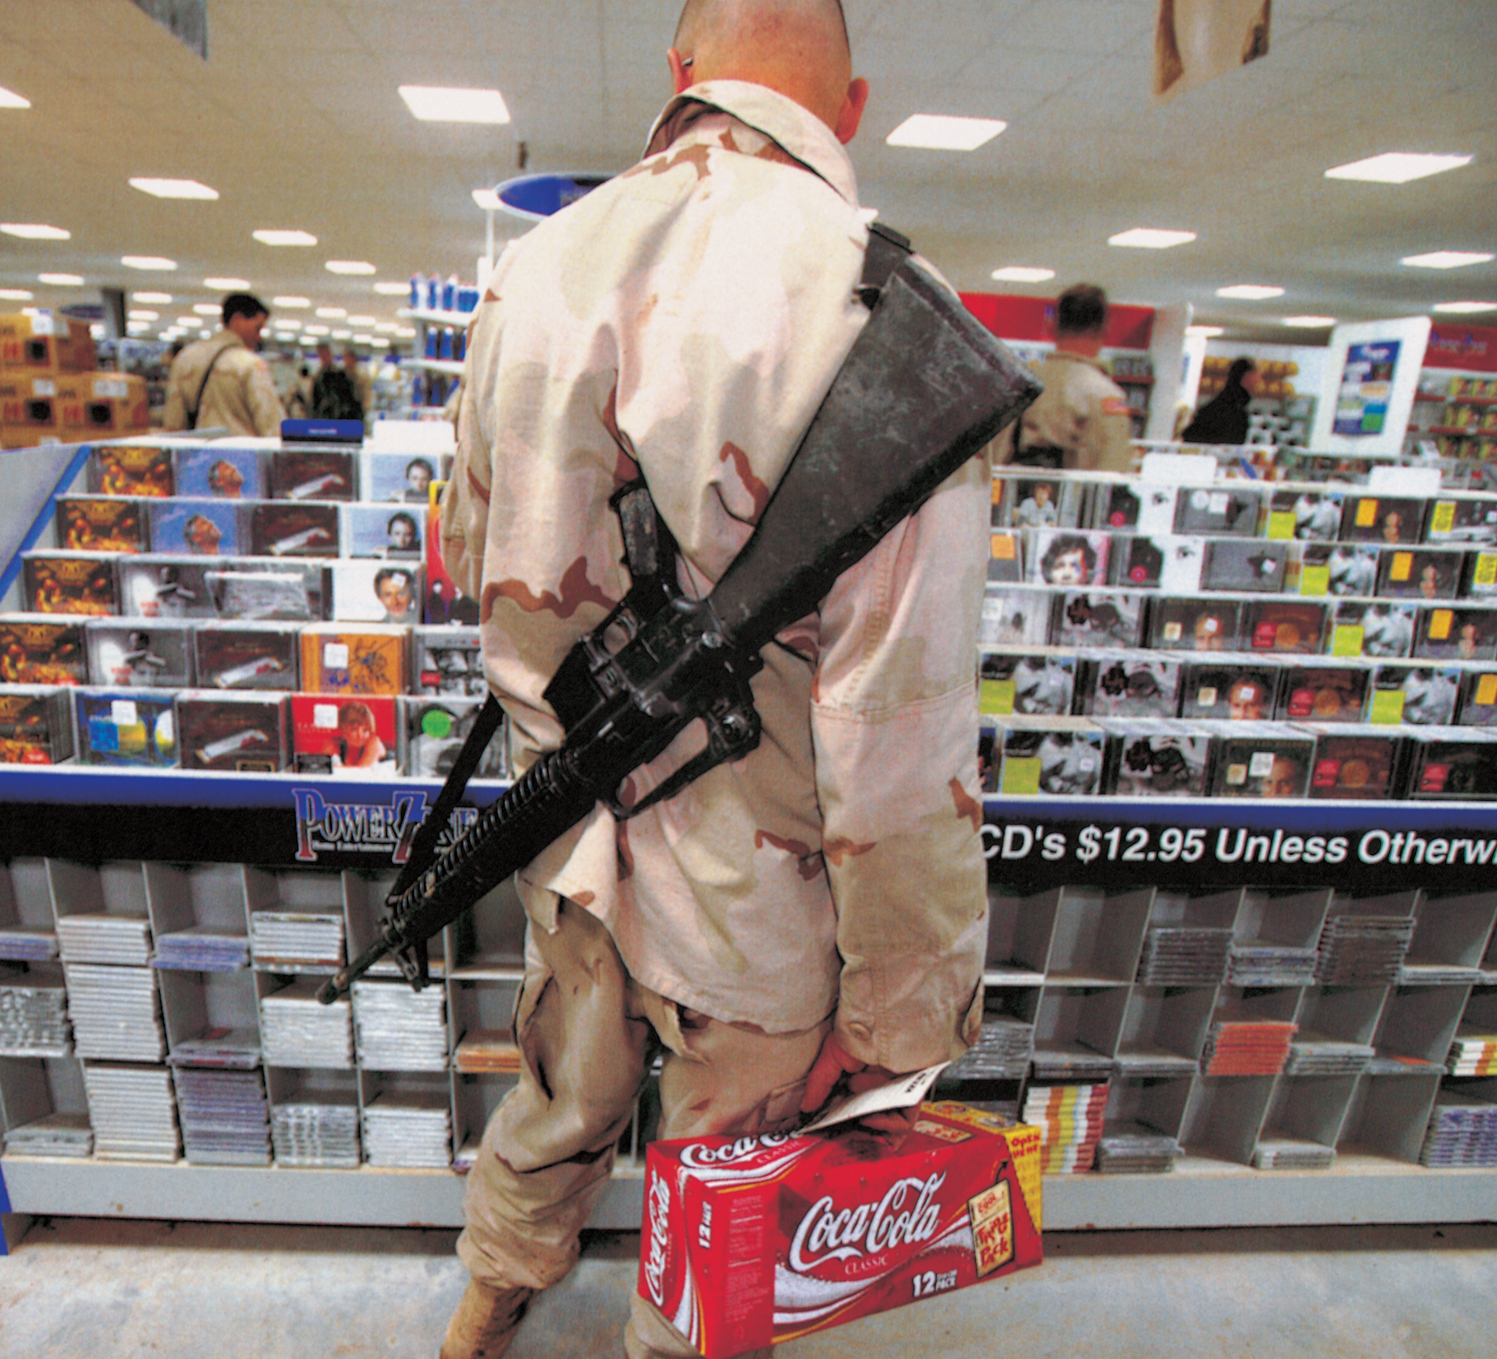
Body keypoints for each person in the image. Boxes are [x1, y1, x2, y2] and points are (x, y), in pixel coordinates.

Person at [437, 4, 991, 1356]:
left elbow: (465, 551)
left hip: (569, 836)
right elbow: (899, 723)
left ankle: (483, 1309)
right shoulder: (882, 306)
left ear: (678, 72)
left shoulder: (536, 267)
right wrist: (899, 1018)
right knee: (721, 1203)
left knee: (559, 1101)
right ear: (850, 106)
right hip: (762, 890)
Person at [993, 282, 1134, 473]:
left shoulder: (1019, 383)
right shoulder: (1105, 397)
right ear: (1106, 329)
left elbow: (994, 457)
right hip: (1074, 491)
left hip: (1013, 488)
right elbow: (1113, 472)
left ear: (1052, 326)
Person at [163, 293, 285, 435]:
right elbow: (271, 424)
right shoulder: (249, 363)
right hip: (239, 447)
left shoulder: (185, 357)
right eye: (257, 328)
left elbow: (173, 422)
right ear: (237, 320)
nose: (259, 338)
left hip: (197, 447)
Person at [1180, 356, 1258, 444]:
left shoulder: (1222, 404)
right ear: (1246, 376)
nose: (1258, 381)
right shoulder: (1234, 411)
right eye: (1256, 376)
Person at [309, 343, 364, 422]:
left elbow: (350, 398)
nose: (325, 357)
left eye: (326, 354)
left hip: (341, 418)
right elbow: (315, 402)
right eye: (322, 355)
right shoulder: (318, 378)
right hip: (324, 418)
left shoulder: (341, 375)